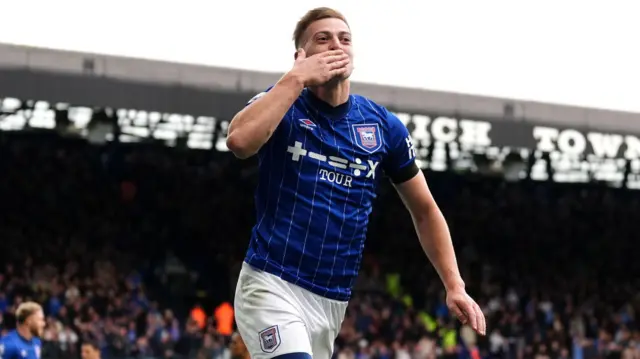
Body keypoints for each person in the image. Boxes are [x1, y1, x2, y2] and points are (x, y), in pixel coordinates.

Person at [227, 7, 487, 359]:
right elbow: (240, 141)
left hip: (332, 300)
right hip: (272, 282)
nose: (337, 45)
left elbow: (425, 210)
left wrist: (454, 284)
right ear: (300, 55)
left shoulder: (383, 127)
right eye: (323, 39)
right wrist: (295, 78)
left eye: (344, 39)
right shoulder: (283, 101)